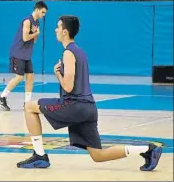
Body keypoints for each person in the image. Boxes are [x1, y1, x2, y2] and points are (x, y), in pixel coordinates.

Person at [16, 15, 162, 171]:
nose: (55, 30)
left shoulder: (68, 53)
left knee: (29, 107)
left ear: (65, 32)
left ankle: (40, 156)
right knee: (98, 155)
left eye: (58, 27)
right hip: (88, 108)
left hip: (75, 105)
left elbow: (68, 87)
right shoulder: (80, 52)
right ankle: (147, 150)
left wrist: (57, 73)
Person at [0, 1, 47, 111]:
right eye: (43, 12)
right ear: (37, 9)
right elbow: (25, 38)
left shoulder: (37, 23)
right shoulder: (27, 21)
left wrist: (36, 35)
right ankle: (2, 97)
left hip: (26, 54)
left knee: (30, 76)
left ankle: (27, 103)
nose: (44, 15)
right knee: (19, 77)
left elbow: (35, 40)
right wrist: (36, 34)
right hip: (18, 52)